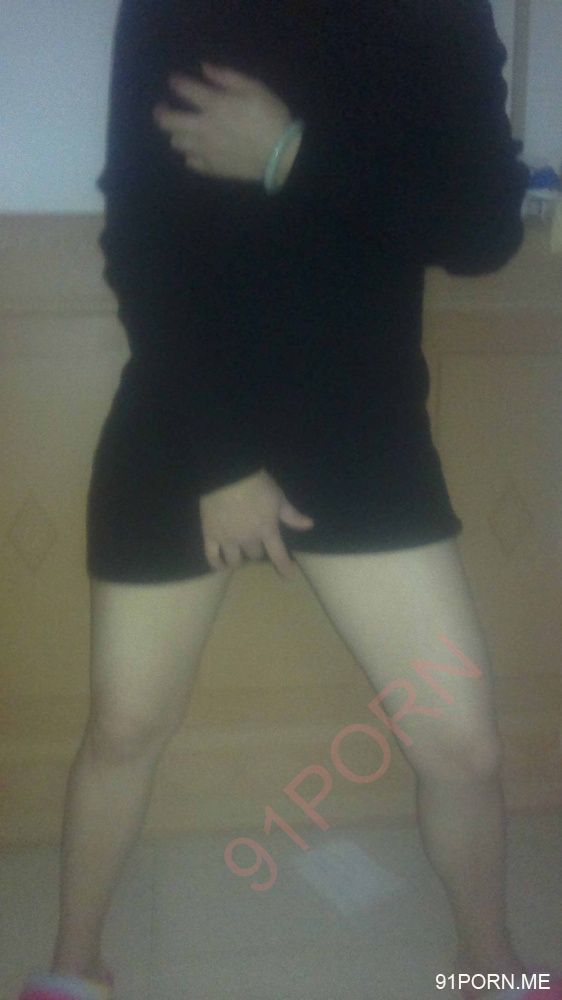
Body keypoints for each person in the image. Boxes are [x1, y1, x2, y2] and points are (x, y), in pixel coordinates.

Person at [20, 2, 559, 1000]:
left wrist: (291, 153)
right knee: (126, 725)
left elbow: (485, 230)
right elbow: (140, 238)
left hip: (362, 426)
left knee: (463, 744)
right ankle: (73, 966)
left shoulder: (437, 16)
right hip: (186, 415)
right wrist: (222, 460)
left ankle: (487, 968)